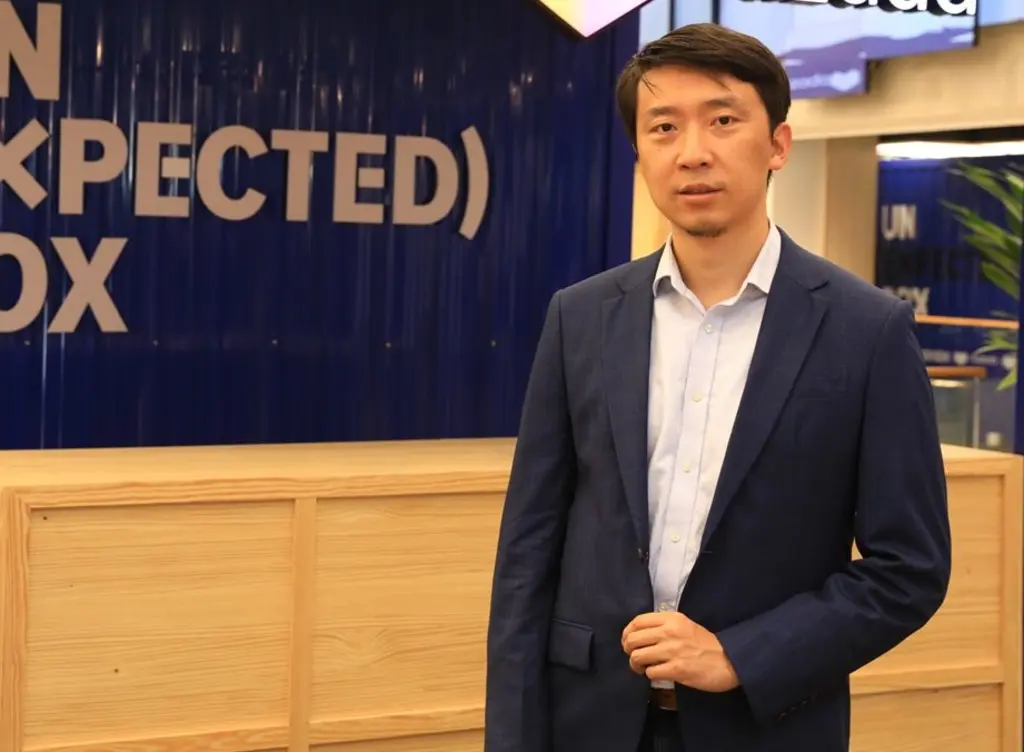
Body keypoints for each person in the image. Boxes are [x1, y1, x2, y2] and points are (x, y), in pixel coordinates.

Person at [484, 22, 951, 752]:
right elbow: (527, 553)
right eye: (663, 127)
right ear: (640, 155)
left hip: (765, 728)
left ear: (777, 145)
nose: (693, 151)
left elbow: (908, 571)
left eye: (723, 121)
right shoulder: (580, 316)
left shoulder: (868, 330)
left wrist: (743, 656)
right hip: (588, 722)